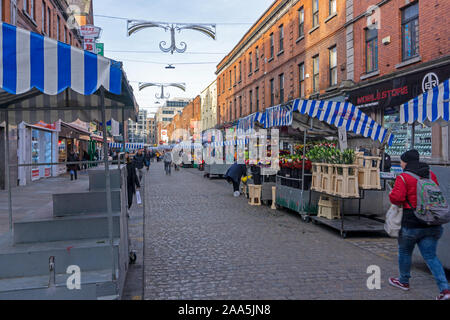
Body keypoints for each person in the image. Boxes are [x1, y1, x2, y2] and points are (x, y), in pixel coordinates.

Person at [388, 149, 449, 300]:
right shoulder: (430, 174)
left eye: (401, 161)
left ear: (406, 162)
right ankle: (445, 289)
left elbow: (397, 198)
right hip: (432, 222)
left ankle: (403, 281)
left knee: (405, 252)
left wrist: (391, 192)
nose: (400, 164)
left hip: (411, 223)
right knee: (431, 256)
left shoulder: (403, 177)